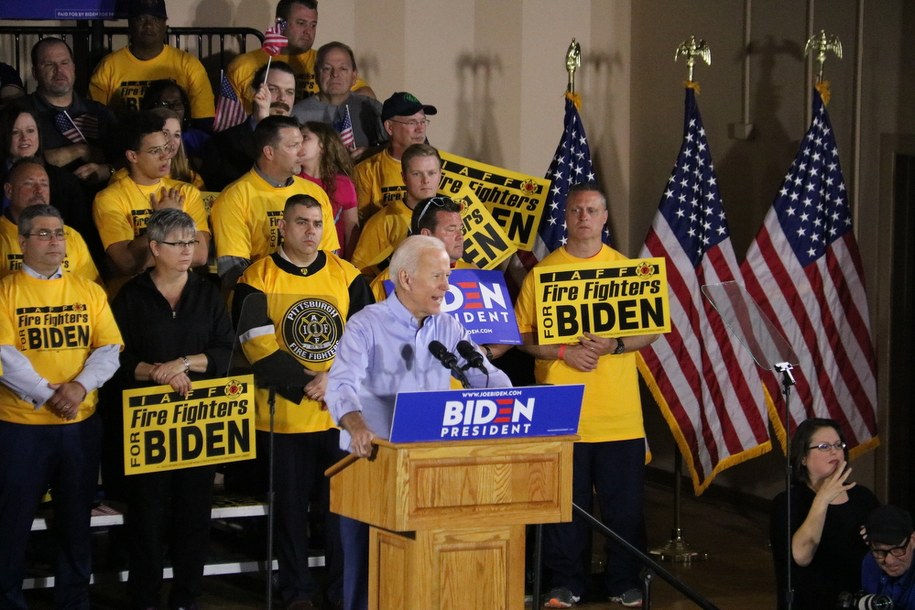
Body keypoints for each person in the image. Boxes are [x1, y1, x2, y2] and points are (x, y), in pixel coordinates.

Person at [325, 235, 512, 610]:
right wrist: (357, 425)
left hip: (432, 467)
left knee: (426, 568)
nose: (447, 286)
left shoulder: (449, 328)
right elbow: (341, 384)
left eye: (448, 276)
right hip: (372, 464)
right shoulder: (367, 325)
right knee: (368, 577)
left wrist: (505, 397)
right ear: (407, 279)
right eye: (438, 277)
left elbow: (492, 380)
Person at [514, 183, 659, 609]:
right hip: (561, 409)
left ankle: (624, 581)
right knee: (566, 509)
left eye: (591, 210)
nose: (583, 217)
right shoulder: (543, 273)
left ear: (604, 217)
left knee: (624, 509)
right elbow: (522, 335)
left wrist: (614, 345)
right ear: (566, 216)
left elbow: (651, 328)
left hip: (619, 415)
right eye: (576, 210)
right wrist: (564, 352)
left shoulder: (627, 269)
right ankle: (565, 583)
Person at [233, 194, 372, 610]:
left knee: (340, 515)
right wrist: (311, 383)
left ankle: (342, 594)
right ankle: (297, 593)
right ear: (283, 227)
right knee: (290, 515)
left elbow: (367, 340)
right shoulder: (255, 278)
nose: (311, 231)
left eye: (317, 223)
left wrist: (334, 380)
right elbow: (257, 347)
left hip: (339, 418)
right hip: (283, 419)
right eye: (302, 222)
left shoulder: (348, 275)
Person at [0, 204, 122, 609]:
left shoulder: (88, 290)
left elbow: (109, 348)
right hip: (20, 427)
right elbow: (4, 355)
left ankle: (73, 600)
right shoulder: (6, 290)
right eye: (44, 234)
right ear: (22, 241)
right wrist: (49, 393)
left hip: (80, 425)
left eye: (60, 233)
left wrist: (79, 387)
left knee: (75, 523)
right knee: (12, 524)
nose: (55, 241)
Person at [111, 208, 234, 610]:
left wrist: (182, 364)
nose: (187, 250)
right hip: (146, 423)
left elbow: (224, 351)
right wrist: (155, 373)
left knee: (194, 515)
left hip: (198, 421)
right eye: (177, 243)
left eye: (191, 242)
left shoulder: (208, 292)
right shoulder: (131, 295)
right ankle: (144, 597)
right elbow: (116, 358)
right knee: (147, 515)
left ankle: (187, 598)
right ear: (154, 248)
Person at [210, 115, 338, 294]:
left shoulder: (315, 193)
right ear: (269, 152)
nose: (301, 152)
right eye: (293, 146)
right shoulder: (235, 197)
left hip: (312, 298)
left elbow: (329, 259)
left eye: (301, 143)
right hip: (261, 299)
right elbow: (234, 273)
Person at [92, 111, 210, 293]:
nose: (165, 156)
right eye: (155, 151)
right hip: (134, 297)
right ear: (133, 156)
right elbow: (128, 263)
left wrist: (145, 255)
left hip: (181, 295)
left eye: (166, 148)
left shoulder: (186, 191)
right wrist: (166, 218)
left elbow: (200, 255)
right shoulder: (109, 198)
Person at [770, 417, 880, 610]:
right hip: (811, 602)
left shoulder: (863, 497)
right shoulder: (787, 502)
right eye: (823, 446)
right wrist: (822, 499)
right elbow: (801, 556)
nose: (834, 451)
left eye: (838, 445)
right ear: (803, 457)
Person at [227, 0, 374, 113]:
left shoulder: (325, 62)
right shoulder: (243, 66)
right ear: (281, 23)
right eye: (301, 23)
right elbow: (228, 120)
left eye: (313, 25)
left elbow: (366, 95)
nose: (308, 31)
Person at [89, 0, 215, 125]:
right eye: (141, 18)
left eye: (155, 19)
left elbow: (203, 122)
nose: (148, 25)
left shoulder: (189, 65)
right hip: (125, 141)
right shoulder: (108, 66)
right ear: (130, 24)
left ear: (164, 24)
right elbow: (94, 119)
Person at [0, 106, 100, 255]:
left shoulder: (65, 181)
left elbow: (82, 232)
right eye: (15, 132)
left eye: (30, 131)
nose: (24, 138)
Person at [22, 37, 119, 184]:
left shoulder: (99, 112)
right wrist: (79, 151)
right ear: (35, 72)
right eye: (49, 64)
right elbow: (14, 163)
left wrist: (107, 170)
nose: (59, 70)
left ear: (74, 68)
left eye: (64, 63)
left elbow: (128, 159)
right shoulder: (19, 112)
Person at [199, 61, 298, 192]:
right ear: (253, 92)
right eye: (273, 89)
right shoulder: (221, 143)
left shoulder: (304, 139)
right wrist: (265, 123)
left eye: (289, 92)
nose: (283, 98)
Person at [0, 158, 100, 282]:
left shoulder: (71, 236)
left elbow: (91, 289)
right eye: (29, 184)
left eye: (44, 184)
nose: (39, 190)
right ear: (9, 191)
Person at [350, 143, 441, 277]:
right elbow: (359, 273)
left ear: (440, 174)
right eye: (416, 174)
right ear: (404, 177)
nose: (425, 180)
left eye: (431, 173)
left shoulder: (453, 215)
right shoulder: (384, 221)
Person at [368, 194, 471, 301]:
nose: (460, 237)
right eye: (451, 229)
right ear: (426, 235)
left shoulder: (474, 276)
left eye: (460, 229)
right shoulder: (389, 281)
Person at [291, 41, 385, 157]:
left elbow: (393, 148)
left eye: (343, 69)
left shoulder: (372, 108)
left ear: (354, 76)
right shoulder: (297, 115)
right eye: (327, 68)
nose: (335, 74)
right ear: (316, 75)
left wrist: (369, 152)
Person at [354, 92, 436, 223]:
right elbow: (359, 224)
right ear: (389, 127)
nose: (420, 129)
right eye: (412, 122)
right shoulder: (366, 171)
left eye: (423, 121)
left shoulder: (437, 164)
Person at [298, 121, 358, 255]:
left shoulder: (342, 183)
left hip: (333, 261)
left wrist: (350, 265)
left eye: (305, 137)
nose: (299, 142)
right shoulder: (292, 180)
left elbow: (351, 228)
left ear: (323, 145)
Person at [141, 78, 210, 162]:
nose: (172, 108)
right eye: (165, 104)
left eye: (177, 103)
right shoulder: (140, 140)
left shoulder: (198, 139)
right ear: (151, 107)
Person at [861, 504, 915, 608]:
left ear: (913, 540)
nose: (889, 561)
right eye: (879, 551)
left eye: (897, 550)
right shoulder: (870, 561)